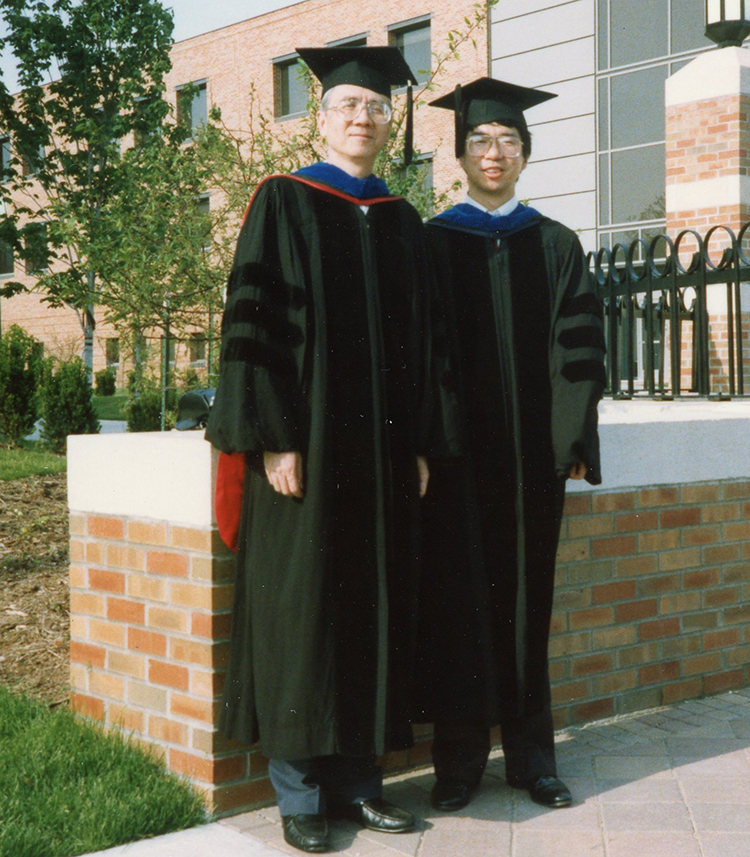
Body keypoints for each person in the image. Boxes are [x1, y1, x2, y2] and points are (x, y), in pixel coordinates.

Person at [205, 46, 446, 854]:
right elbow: (253, 325)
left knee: (370, 607)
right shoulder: (282, 200)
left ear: (389, 120)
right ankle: (301, 793)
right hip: (303, 452)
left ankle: (360, 784)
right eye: (346, 104)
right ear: (320, 115)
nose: (362, 117)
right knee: (305, 613)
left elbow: (424, 345)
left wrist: (416, 443)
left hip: (380, 460)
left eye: (375, 107)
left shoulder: (402, 219)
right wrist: (273, 436)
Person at [416, 77, 606, 813]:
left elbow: (579, 351)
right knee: (459, 606)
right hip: (460, 462)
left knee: (530, 605)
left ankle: (534, 759)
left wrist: (570, 439)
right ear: (460, 153)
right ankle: (458, 764)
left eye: (507, 141)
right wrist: (433, 441)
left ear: (526, 153)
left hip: (533, 462)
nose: (493, 153)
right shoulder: (433, 243)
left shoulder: (555, 244)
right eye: (480, 141)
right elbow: (421, 352)